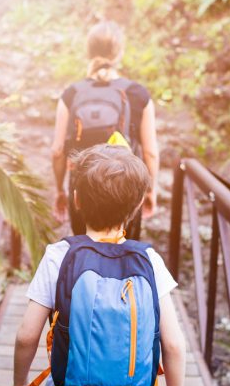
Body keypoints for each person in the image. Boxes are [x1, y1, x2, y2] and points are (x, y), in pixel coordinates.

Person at [12, 145, 186, 386]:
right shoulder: (149, 260)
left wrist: (19, 384)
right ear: (136, 208)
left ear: (76, 199)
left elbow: (26, 336)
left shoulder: (59, 254)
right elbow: (174, 344)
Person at [51, 20, 160, 239]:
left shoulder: (71, 94)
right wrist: (150, 190)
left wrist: (61, 190)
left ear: (88, 51)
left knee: (84, 252)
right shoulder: (138, 94)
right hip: (126, 190)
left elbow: (57, 150)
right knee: (123, 253)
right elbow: (150, 153)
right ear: (119, 53)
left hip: (82, 191)